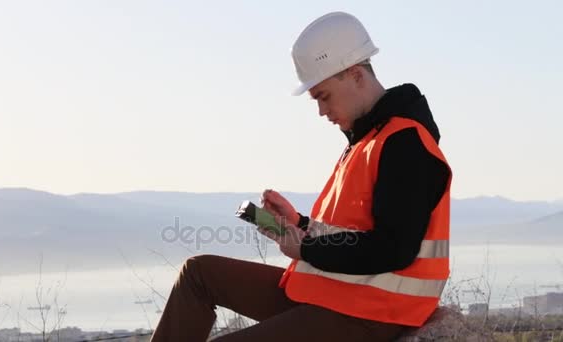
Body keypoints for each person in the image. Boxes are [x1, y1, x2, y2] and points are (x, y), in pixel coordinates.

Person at [150, 11, 452, 341]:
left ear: (355, 75)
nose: (322, 111)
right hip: (338, 296)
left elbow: (394, 249)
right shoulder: (368, 140)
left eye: (324, 96)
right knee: (199, 273)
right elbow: (356, 231)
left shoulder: (404, 142)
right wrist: (298, 224)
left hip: (374, 313)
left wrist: (305, 248)